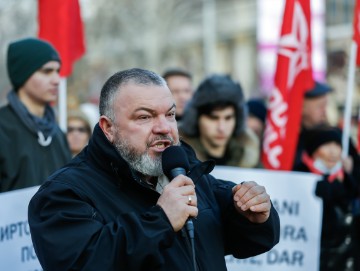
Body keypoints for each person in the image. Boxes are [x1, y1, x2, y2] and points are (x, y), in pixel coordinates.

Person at [28, 68, 280, 271]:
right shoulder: (63, 194)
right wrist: (161, 220)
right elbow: (81, 262)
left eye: (169, 115)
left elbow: (244, 242)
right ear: (108, 127)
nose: (164, 128)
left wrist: (255, 216)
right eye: (144, 117)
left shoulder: (187, 173)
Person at [0, 37, 71, 192]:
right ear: (23, 74)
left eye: (57, 71)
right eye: (47, 71)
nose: (56, 80)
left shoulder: (57, 134)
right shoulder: (3, 128)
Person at [294, 125, 358, 271]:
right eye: (327, 145)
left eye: (337, 145)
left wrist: (348, 177)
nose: (333, 151)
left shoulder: (346, 180)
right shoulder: (300, 175)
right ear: (314, 151)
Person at [179, 74, 260, 168]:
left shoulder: (251, 157)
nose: (221, 127)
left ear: (238, 119)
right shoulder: (180, 160)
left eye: (228, 118)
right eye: (213, 118)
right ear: (196, 118)